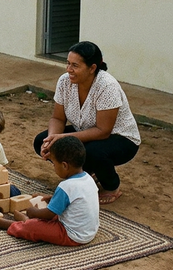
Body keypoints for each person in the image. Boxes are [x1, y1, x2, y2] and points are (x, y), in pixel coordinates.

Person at [33, 41, 141, 205]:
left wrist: (63, 138)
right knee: (41, 141)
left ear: (92, 68)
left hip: (120, 138)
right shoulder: (64, 81)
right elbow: (57, 118)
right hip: (85, 132)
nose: (69, 69)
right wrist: (52, 138)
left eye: (75, 65)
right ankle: (89, 173)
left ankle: (112, 186)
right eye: (68, 63)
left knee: (92, 152)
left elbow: (103, 131)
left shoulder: (107, 86)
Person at [0, 136, 99, 246]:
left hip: (71, 235)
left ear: (64, 165)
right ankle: (26, 220)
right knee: (49, 216)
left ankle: (15, 225)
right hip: (89, 231)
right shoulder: (88, 178)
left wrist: (33, 212)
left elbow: (48, 215)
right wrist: (53, 199)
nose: (54, 167)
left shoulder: (66, 186)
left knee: (35, 227)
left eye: (54, 164)